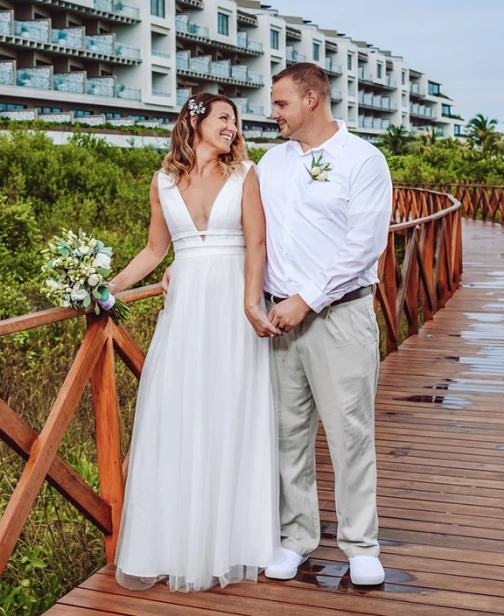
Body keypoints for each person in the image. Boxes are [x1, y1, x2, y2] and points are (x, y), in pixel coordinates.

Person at [108, 92, 280, 592]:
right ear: (196, 121)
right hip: (184, 314)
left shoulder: (247, 175)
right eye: (224, 118)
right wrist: (107, 287)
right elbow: (155, 250)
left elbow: (258, 243)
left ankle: (238, 540)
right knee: (178, 413)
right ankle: (173, 542)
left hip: (233, 306)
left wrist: (252, 303)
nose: (233, 127)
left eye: (236, 121)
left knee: (233, 411)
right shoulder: (161, 181)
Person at [258, 63, 392, 586]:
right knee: (288, 434)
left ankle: (361, 545)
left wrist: (305, 301)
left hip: (339, 315)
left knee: (349, 433)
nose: (273, 114)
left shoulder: (364, 160)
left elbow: (364, 244)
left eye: (281, 103)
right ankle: (296, 537)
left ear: (312, 99)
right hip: (279, 319)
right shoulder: (270, 164)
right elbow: (252, 232)